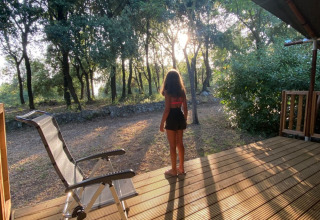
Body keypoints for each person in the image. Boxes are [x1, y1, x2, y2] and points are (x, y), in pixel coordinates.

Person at [160, 69, 188, 176]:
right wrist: (184, 120)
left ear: (168, 80)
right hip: (180, 116)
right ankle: (181, 167)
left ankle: (173, 170)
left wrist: (162, 123)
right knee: (180, 144)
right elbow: (185, 108)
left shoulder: (167, 92)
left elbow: (167, 109)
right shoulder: (182, 91)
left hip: (171, 118)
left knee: (172, 146)